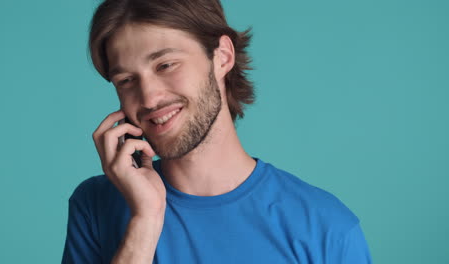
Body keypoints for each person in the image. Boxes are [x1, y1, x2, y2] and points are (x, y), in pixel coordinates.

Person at [61, 0, 373, 263]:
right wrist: (145, 221)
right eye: (127, 81)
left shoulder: (327, 228)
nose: (149, 98)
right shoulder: (96, 206)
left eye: (166, 65)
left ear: (222, 56)